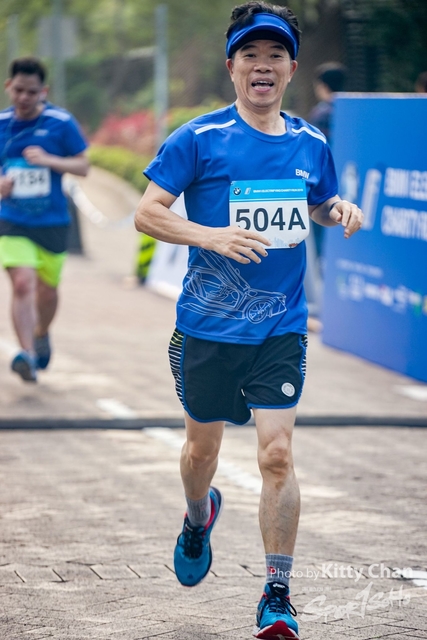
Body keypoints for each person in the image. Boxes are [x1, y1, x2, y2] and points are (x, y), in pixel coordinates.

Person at [135, 3, 363, 639]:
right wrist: (210, 235)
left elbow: (316, 204)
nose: (263, 66)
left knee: (278, 455)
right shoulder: (198, 138)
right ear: (231, 66)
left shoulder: (311, 143)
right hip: (208, 328)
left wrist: (338, 209)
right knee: (201, 452)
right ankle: (197, 515)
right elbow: (148, 213)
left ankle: (277, 594)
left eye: (275, 56)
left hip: (279, 326)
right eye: (251, 55)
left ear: (291, 68)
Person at [0, 57, 89, 382]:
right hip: (12, 219)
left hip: (52, 221)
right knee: (22, 284)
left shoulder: (60, 123)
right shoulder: (1, 124)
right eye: (19, 90)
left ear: (44, 91)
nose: (24, 97)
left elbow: (83, 166)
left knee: (47, 293)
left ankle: (40, 332)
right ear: (9, 87)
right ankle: (27, 355)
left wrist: (49, 160)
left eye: (32, 92)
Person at [307, 62, 347, 262]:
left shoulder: (321, 114)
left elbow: (313, 153)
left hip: (325, 183)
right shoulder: (350, 112)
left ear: (321, 85)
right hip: (348, 176)